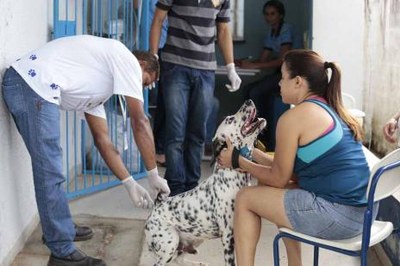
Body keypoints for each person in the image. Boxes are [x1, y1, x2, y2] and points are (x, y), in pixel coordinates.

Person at [1, 35, 170, 266]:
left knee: (50, 166)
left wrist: (129, 182)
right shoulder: (125, 58)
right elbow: (139, 121)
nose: (140, 88)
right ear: (140, 65)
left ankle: (59, 227)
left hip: (31, 87)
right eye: (144, 81)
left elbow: (103, 140)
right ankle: (61, 251)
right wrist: (152, 173)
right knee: (50, 169)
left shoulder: (99, 91)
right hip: (31, 86)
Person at [218, 49, 375, 266]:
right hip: (361, 216)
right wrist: (253, 153)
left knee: (246, 198)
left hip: (338, 216)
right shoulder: (327, 108)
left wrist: (237, 161)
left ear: (298, 82)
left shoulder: (293, 118)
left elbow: (279, 178)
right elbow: (292, 172)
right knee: (268, 186)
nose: (279, 83)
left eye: (283, 77)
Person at [150, 0, 242, 196]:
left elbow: (224, 30)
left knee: (198, 134)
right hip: (175, 67)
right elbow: (158, 19)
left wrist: (231, 67)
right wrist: (154, 58)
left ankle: (192, 189)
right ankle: (174, 190)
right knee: (175, 133)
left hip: (205, 70)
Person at [236, 0, 298, 150]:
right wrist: (244, 62)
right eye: (266, 14)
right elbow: (264, 58)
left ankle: (262, 135)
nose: (269, 17)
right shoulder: (272, 31)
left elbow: (282, 60)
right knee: (247, 90)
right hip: (280, 73)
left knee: (256, 92)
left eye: (273, 14)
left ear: (280, 15)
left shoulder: (286, 30)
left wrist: (254, 64)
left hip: (291, 74)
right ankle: (250, 132)